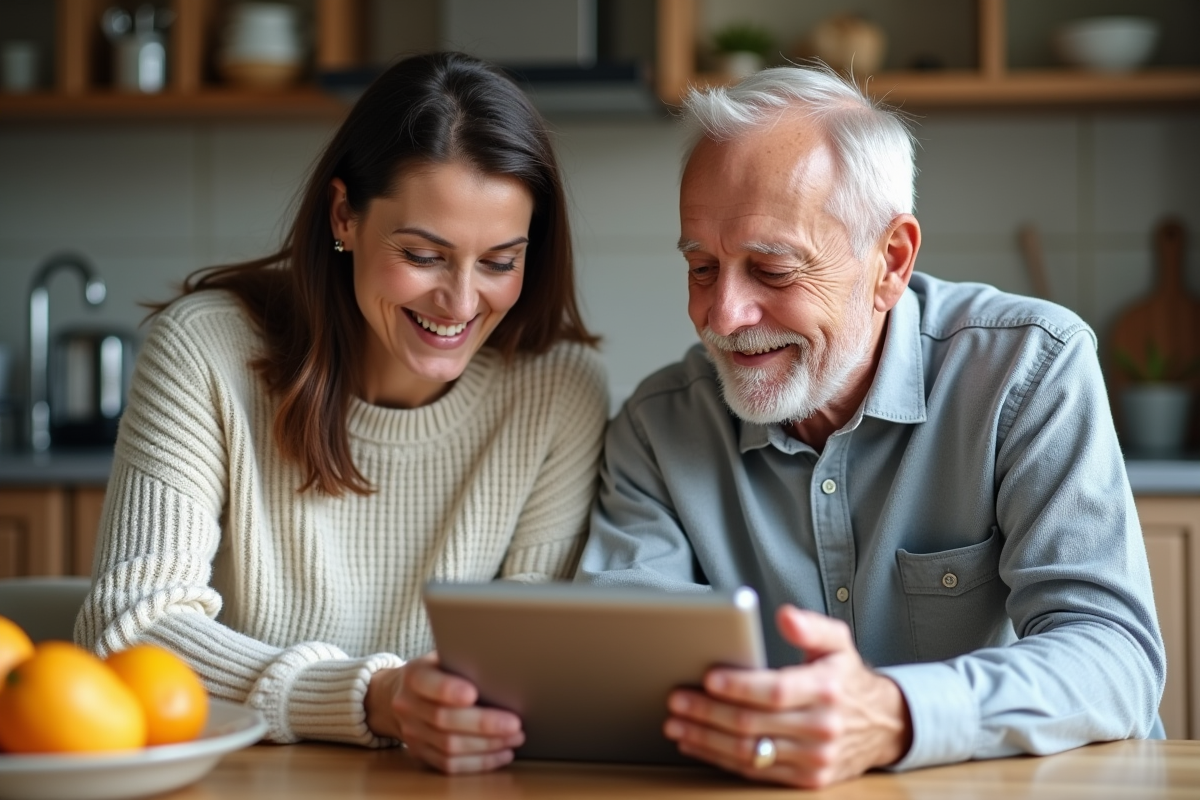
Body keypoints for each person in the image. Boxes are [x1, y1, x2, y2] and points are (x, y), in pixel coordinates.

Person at [575, 65, 1165, 788]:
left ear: (890, 261)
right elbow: (622, 671)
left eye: (773, 269)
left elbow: (1115, 660)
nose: (722, 317)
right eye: (702, 267)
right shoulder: (656, 431)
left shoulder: (1029, 371)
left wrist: (894, 714)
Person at [76, 52, 609, 774]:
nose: (459, 303)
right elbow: (127, 631)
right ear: (344, 217)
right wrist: (371, 697)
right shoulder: (205, 352)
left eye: (499, 262)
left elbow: (529, 662)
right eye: (423, 254)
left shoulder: (559, 392)